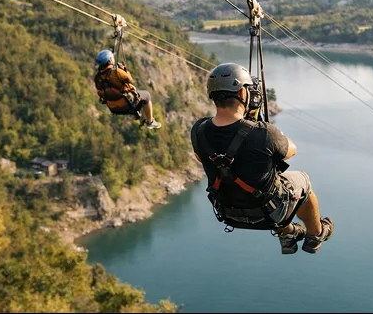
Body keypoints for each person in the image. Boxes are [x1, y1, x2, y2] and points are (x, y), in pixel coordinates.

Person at [190, 63, 334, 254]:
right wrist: (258, 126)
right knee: (302, 181)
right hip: (269, 212)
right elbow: (291, 150)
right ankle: (315, 235)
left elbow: (201, 158)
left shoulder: (199, 130)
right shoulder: (263, 133)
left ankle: (289, 233)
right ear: (242, 93)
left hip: (228, 211)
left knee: (264, 182)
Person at [94, 49, 161, 130]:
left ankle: (143, 116)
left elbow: (102, 91)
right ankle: (150, 122)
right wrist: (124, 70)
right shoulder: (116, 71)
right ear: (110, 60)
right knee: (146, 96)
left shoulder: (98, 78)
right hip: (126, 103)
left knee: (137, 97)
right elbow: (130, 81)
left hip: (113, 108)